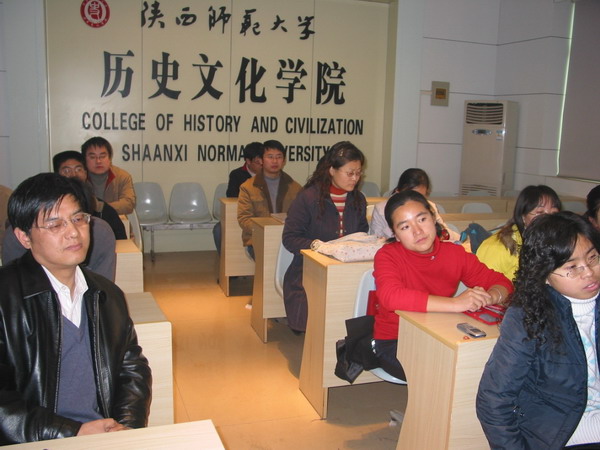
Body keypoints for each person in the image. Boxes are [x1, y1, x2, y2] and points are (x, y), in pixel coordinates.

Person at [0, 173, 151, 444]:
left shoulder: (107, 294)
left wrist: (125, 429)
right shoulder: (5, 298)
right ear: (24, 237)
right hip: (37, 441)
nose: (73, 232)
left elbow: (132, 369)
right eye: (55, 224)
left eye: (78, 219)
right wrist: (72, 433)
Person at [476, 212, 600, 449]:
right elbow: (494, 400)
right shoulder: (528, 318)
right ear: (544, 276)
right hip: (563, 434)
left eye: (593, 258)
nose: (588, 272)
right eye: (572, 267)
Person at [373, 190, 512, 379]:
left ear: (434, 218)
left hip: (441, 334)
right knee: (450, 370)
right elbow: (391, 297)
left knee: (484, 360)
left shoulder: (454, 254)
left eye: (422, 219)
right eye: (405, 227)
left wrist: (491, 296)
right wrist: (456, 303)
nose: (417, 231)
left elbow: (502, 283)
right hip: (396, 340)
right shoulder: (388, 255)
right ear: (396, 235)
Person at [282, 141, 369, 333]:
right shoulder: (308, 198)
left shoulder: (358, 199)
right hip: (310, 269)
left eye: (358, 173)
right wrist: (320, 247)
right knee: (315, 324)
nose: (355, 178)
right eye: (350, 173)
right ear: (331, 170)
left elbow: (362, 234)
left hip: (347, 269)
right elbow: (290, 238)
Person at [477, 185, 561, 281]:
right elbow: (483, 285)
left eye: (554, 213)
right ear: (523, 216)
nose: (549, 219)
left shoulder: (555, 242)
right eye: (540, 212)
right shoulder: (497, 247)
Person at [237, 139, 302, 259]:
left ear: (284, 160)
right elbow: (244, 219)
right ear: (261, 160)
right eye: (270, 157)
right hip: (257, 240)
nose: (275, 161)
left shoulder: (295, 187)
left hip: (287, 239)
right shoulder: (247, 187)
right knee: (270, 258)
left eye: (279, 157)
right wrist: (266, 231)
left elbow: (302, 217)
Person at [370, 168, 460, 241]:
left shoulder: (430, 206)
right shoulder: (380, 209)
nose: (414, 202)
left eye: (420, 197)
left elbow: (446, 232)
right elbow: (376, 241)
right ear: (398, 191)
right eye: (409, 195)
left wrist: (443, 233)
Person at [54, 150, 127, 240]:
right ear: (56, 175)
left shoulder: (101, 209)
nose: (73, 174)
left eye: (78, 169)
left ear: (85, 174)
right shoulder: (51, 210)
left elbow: (121, 240)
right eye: (67, 170)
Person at [213, 142, 264, 254]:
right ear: (248, 161)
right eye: (257, 162)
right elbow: (232, 196)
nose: (262, 165)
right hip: (241, 215)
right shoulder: (236, 174)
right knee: (218, 230)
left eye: (263, 161)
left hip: (263, 217)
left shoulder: (271, 175)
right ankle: (224, 260)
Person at [81, 136, 136, 215]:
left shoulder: (122, 176)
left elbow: (128, 204)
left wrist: (101, 207)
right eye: (92, 157)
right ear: (84, 160)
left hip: (113, 219)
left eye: (102, 156)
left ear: (110, 158)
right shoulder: (79, 177)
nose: (98, 161)